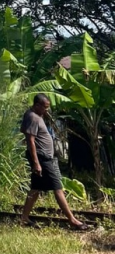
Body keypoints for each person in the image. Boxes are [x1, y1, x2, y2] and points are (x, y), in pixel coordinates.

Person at [19, 93, 89, 231]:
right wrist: (36, 163)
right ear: (37, 105)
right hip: (43, 159)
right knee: (58, 188)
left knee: (35, 189)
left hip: (44, 158)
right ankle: (72, 220)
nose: (47, 110)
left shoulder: (36, 116)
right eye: (45, 107)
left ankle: (24, 218)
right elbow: (30, 141)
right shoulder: (32, 117)